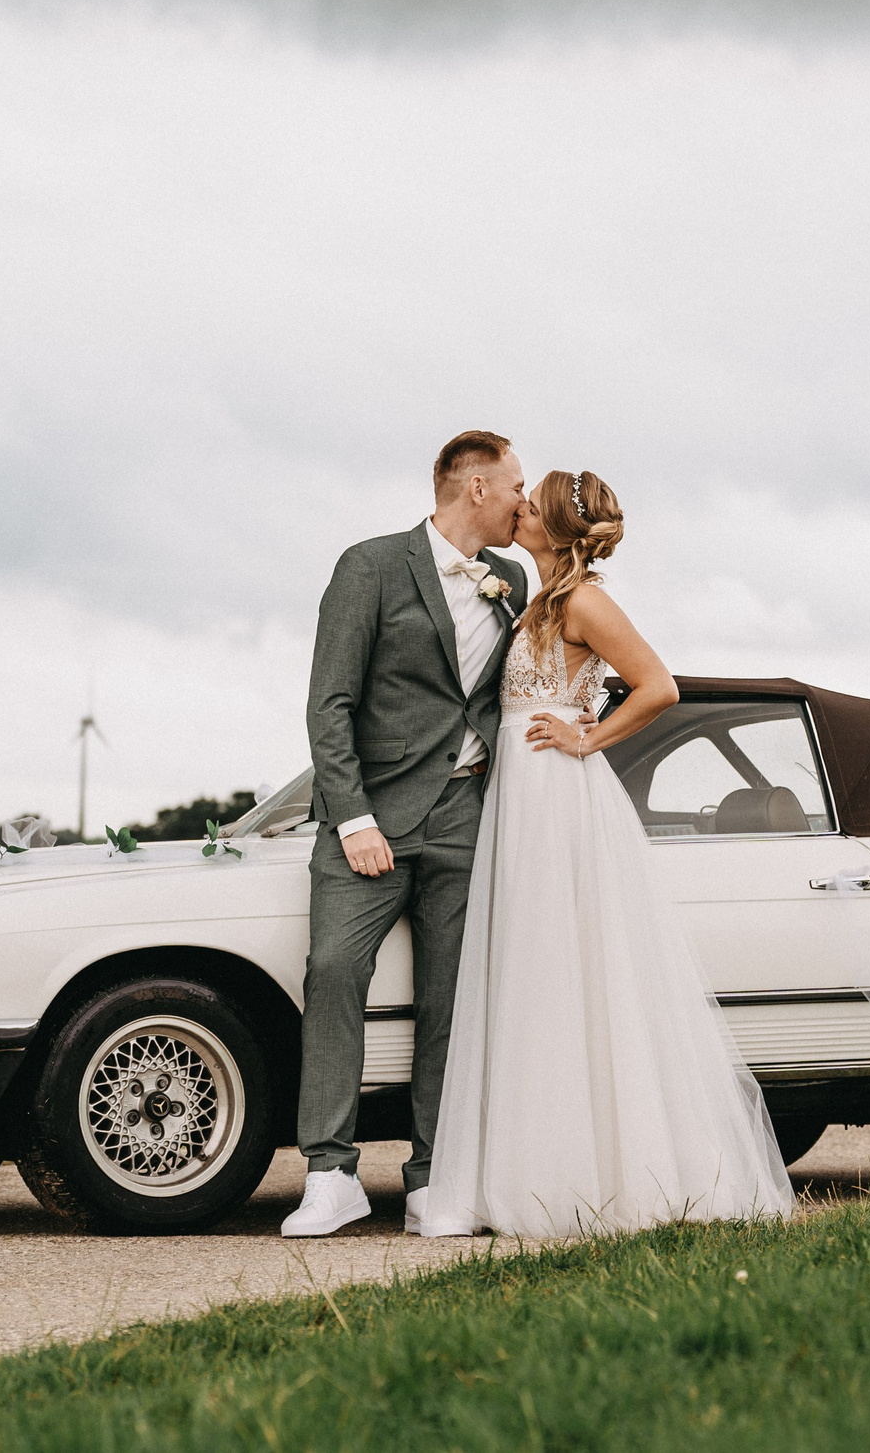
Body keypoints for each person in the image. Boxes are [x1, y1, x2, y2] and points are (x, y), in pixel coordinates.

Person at [419, 469, 795, 1237]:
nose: (518, 510)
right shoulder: (535, 594)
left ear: (554, 528)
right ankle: (532, 1168)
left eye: (530, 505)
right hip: (520, 800)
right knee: (529, 977)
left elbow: (658, 686)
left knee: (569, 973)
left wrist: (588, 735)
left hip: (561, 800)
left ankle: (590, 1180)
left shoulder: (585, 599)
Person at [283, 430, 533, 1238]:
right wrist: (353, 817)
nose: (523, 502)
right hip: (372, 819)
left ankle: (433, 1177)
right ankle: (329, 1172)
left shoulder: (512, 577)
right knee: (332, 974)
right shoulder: (371, 566)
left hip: (467, 812)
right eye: (516, 487)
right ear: (476, 488)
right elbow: (330, 704)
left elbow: (505, 688)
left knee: (451, 998)